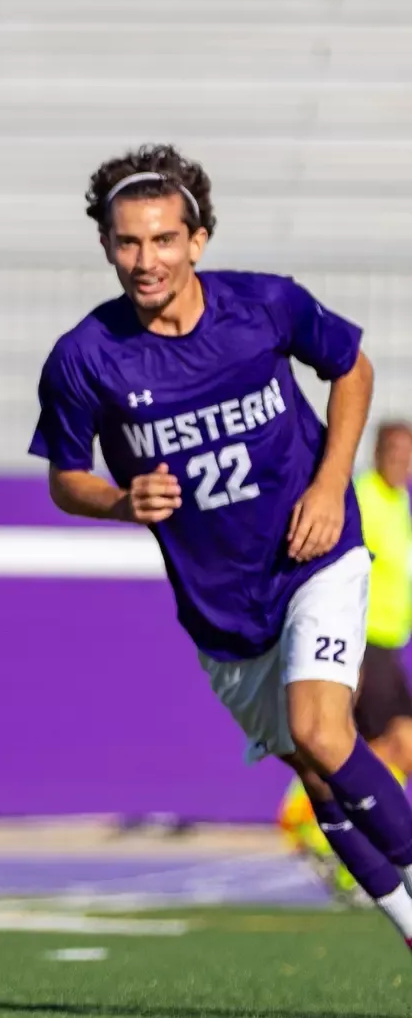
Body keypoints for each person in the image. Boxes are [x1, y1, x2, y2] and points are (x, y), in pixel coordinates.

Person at [27, 143, 412, 946]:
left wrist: (327, 480)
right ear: (106, 244)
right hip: (222, 610)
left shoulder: (266, 305)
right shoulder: (83, 359)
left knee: (321, 731)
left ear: (197, 240)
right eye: (128, 242)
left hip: (316, 556)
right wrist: (120, 500)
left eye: (164, 239)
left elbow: (355, 369)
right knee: (315, 774)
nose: (146, 259)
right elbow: (67, 479)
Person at [280, 420, 412, 899]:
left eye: (408, 453)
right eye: (395, 451)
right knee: (392, 746)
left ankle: (330, 829)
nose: (402, 461)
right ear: (377, 452)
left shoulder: (398, 503)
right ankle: (316, 822)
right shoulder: (363, 497)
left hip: (389, 645)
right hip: (363, 641)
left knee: (368, 747)